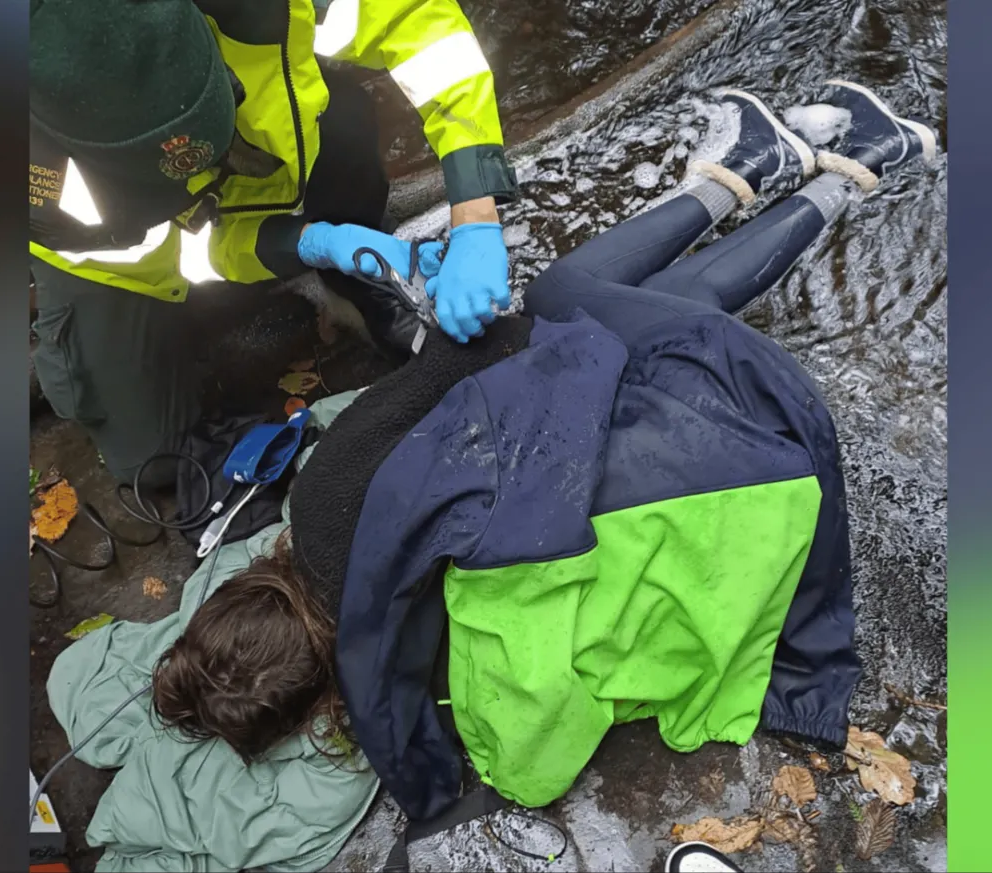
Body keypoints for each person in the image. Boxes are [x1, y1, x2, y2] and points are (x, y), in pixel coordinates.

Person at [151, 81, 939, 825]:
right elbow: (456, 363)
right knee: (569, 293)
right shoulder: (319, 500)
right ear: (246, 589)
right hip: (643, 406)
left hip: (667, 472)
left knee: (655, 311)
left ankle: (812, 170)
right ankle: (808, 167)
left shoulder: (429, 670)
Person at [28, 0, 517, 487]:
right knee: (155, 463)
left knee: (342, 118)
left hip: (241, 139)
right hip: (113, 263)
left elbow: (418, 22)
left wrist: (475, 211)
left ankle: (354, 286)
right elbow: (173, 255)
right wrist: (304, 242)